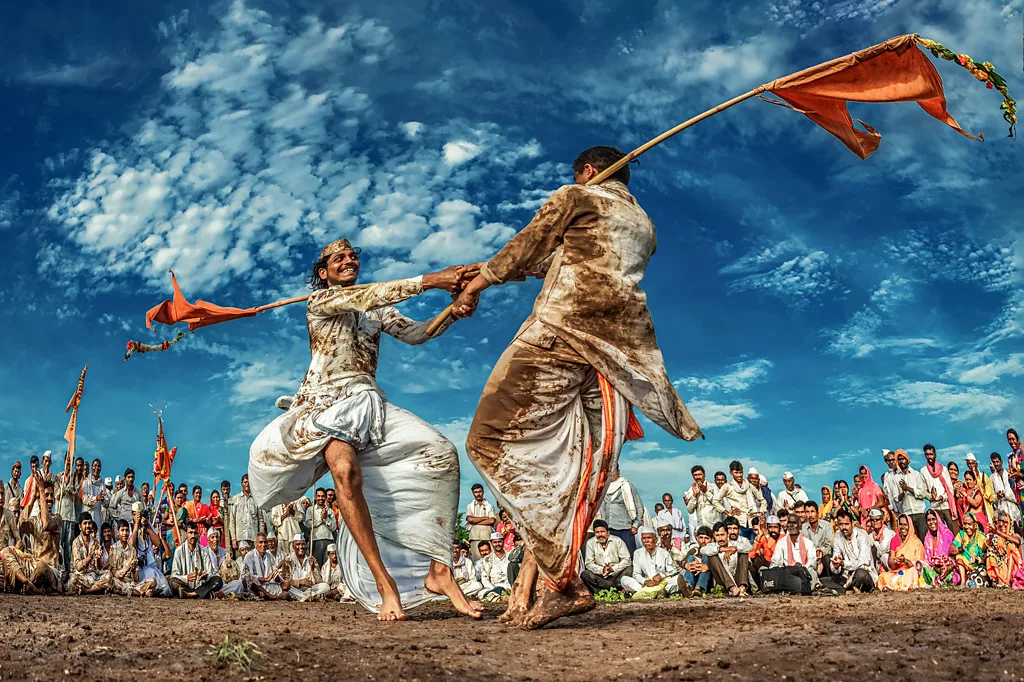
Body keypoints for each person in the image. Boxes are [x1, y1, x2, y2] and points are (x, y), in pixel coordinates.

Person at [457, 146, 703, 629]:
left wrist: (477, 282)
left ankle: (564, 582)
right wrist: (512, 269)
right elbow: (559, 258)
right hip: (617, 352)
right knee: (583, 468)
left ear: (588, 172)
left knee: (486, 440)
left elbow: (528, 245)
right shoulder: (645, 227)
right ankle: (537, 589)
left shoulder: (576, 195)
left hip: (562, 331)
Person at [248, 238, 477, 621]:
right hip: (325, 401)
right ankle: (385, 585)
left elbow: (417, 333)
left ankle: (439, 571)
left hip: (367, 399)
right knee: (345, 470)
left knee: (441, 452)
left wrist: (455, 309)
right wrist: (434, 280)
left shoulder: (376, 308)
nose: (349, 260)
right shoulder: (320, 302)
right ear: (323, 273)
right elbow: (366, 296)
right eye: (338, 258)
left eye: (352, 256)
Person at [618, 527, 679, 599]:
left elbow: (673, 571)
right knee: (624, 579)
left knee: (676, 579)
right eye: (644, 538)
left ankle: (658, 592)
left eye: (649, 538)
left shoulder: (664, 553)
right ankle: (649, 593)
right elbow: (636, 574)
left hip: (662, 584)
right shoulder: (637, 553)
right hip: (645, 585)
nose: (646, 541)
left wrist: (661, 575)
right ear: (641, 540)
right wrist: (645, 581)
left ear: (655, 540)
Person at [597, 470, 645, 556]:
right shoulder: (605, 487)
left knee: (629, 556)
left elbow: (639, 507)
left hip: (626, 529)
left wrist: (635, 525)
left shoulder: (626, 485)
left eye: (613, 471)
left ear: (618, 472)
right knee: (612, 557)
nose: (611, 474)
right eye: (609, 471)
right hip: (610, 529)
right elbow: (602, 509)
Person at [170, 521, 222, 599]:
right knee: (172, 582)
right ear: (185, 535)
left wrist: (205, 576)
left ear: (198, 535)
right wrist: (187, 578)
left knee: (218, 580)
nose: (193, 536)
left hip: (201, 586)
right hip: (186, 585)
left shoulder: (204, 551)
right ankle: (201, 594)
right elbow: (174, 575)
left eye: (195, 533)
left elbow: (210, 573)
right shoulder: (179, 551)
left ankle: (191, 595)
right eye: (190, 533)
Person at [769, 512, 819, 588]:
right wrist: (791, 569)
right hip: (787, 574)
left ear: (800, 527)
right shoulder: (781, 543)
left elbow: (812, 563)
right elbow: (776, 562)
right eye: (789, 523)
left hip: (805, 574)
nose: (791, 525)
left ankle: (805, 588)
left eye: (794, 523)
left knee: (813, 573)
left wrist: (801, 568)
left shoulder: (808, 543)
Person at [830, 510, 876, 592]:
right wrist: (836, 565)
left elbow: (863, 562)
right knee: (825, 580)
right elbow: (835, 561)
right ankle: (848, 588)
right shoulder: (838, 537)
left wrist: (844, 563)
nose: (844, 527)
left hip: (864, 573)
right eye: (841, 524)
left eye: (846, 524)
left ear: (852, 524)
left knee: (861, 574)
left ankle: (844, 589)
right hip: (846, 575)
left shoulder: (862, 536)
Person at [580, 519, 631, 594]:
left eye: (602, 532)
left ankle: (610, 589)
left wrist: (613, 569)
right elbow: (589, 564)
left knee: (630, 569)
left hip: (616, 575)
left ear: (608, 532)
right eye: (597, 532)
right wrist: (602, 570)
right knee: (585, 574)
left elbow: (627, 560)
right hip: (600, 576)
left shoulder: (617, 540)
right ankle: (608, 591)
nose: (600, 534)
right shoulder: (590, 543)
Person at [713, 461, 765, 533]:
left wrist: (760, 513)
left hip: (752, 522)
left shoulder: (748, 485)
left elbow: (762, 500)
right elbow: (715, 501)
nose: (739, 475)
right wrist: (728, 513)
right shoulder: (727, 486)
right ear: (731, 473)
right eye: (736, 473)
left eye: (740, 472)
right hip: (738, 523)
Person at [132, 502, 172, 597]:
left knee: (166, 589)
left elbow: (158, 543)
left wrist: (148, 526)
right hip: (137, 568)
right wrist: (136, 526)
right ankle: (147, 591)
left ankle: (150, 591)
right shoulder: (129, 526)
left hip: (150, 566)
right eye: (137, 514)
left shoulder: (147, 525)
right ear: (132, 515)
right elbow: (131, 546)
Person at [109, 520, 157, 597]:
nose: (125, 533)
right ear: (118, 532)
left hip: (131, 583)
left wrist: (134, 569)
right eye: (122, 530)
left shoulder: (133, 550)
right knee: (112, 581)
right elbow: (113, 571)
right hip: (119, 580)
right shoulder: (113, 548)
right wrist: (126, 569)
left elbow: (136, 578)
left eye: (127, 530)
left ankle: (133, 591)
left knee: (153, 581)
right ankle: (139, 592)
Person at [701, 522, 750, 597]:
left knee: (743, 553)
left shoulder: (735, 544)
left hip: (737, 578)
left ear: (727, 534)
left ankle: (742, 588)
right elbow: (703, 550)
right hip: (722, 583)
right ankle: (732, 588)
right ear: (714, 536)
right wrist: (723, 549)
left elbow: (749, 547)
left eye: (722, 535)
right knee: (712, 556)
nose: (720, 538)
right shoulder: (712, 546)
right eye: (717, 535)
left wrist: (735, 549)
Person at [876, 514, 924, 591]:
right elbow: (891, 563)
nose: (903, 527)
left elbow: (919, 566)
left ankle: (894, 586)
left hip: (911, 571)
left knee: (912, 572)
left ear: (910, 526)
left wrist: (905, 561)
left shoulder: (916, 543)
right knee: (883, 576)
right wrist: (896, 562)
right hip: (898, 572)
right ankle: (895, 585)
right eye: (901, 524)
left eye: (905, 525)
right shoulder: (895, 540)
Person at [66, 512, 110, 594]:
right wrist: (89, 558)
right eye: (85, 523)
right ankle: (96, 589)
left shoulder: (96, 542)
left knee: (108, 575)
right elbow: (78, 567)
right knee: (73, 579)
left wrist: (99, 558)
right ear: (80, 527)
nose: (87, 526)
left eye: (89, 523)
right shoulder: (76, 542)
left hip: (94, 575)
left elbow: (100, 567)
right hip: (81, 576)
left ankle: (88, 590)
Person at [921, 444, 959, 534]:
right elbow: (924, 491)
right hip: (935, 507)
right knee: (940, 533)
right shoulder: (923, 471)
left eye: (931, 454)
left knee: (954, 531)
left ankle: (959, 548)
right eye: (927, 454)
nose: (929, 456)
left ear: (935, 455)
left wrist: (942, 497)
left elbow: (950, 489)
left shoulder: (943, 469)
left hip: (946, 505)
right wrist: (931, 496)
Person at [285, 534, 330, 601]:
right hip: (295, 589)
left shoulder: (311, 559)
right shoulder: (288, 559)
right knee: (287, 589)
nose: (301, 547)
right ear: (293, 546)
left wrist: (313, 568)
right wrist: (300, 582)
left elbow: (319, 581)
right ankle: (308, 597)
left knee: (326, 587)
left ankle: (304, 597)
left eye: (303, 544)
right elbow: (285, 581)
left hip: (308, 589)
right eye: (298, 544)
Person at [951, 512, 988, 588]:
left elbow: (985, 556)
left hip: (977, 566)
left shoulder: (981, 537)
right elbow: (951, 550)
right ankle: (963, 582)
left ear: (975, 524)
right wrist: (961, 548)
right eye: (965, 524)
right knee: (959, 554)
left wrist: (978, 559)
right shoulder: (961, 534)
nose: (967, 527)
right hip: (963, 566)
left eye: (969, 524)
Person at [985, 511, 1021, 588]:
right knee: (990, 551)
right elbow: (983, 549)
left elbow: (1017, 541)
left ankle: (1007, 582)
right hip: (1000, 565)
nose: (1002, 524)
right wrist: (990, 538)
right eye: (1000, 522)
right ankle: (998, 579)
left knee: (1010, 547)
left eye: (1005, 522)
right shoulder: (996, 537)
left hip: (1012, 568)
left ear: (1010, 523)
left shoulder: (1014, 535)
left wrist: (998, 532)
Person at [243, 533, 284, 599]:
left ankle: (264, 594)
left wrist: (276, 577)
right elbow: (249, 575)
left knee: (287, 585)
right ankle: (269, 595)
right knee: (249, 578)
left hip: (268, 585)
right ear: (255, 544)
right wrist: (265, 579)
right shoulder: (249, 556)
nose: (263, 545)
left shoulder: (269, 556)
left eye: (265, 542)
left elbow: (274, 575)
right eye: (261, 542)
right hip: (255, 586)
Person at [230, 474, 263, 555]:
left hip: (253, 538)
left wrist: (261, 537)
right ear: (241, 484)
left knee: (254, 563)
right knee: (240, 563)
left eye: (248, 482)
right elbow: (232, 520)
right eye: (245, 482)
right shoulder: (236, 499)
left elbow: (260, 519)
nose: (247, 484)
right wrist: (233, 539)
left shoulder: (256, 499)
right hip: (240, 537)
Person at [921, 509, 956, 586]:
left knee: (952, 578)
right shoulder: (927, 538)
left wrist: (945, 568)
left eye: (933, 519)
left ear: (938, 519)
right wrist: (936, 568)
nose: (931, 522)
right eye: (929, 520)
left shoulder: (947, 534)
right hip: (934, 569)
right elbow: (927, 560)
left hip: (948, 568)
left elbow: (953, 558)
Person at [306, 488, 338, 567]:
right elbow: (308, 524)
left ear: (325, 498)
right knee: (317, 565)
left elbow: (334, 527)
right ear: (315, 497)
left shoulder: (330, 511)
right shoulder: (311, 509)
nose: (321, 498)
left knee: (329, 565)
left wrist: (326, 519)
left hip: (329, 540)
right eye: (319, 496)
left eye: (323, 496)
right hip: (316, 540)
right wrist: (321, 519)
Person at [989, 453, 1022, 530]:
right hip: (1002, 510)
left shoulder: (1010, 474)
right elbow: (992, 498)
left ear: (1001, 462)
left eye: (997, 461)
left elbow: (1016, 495)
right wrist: (997, 496)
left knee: (1018, 535)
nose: (996, 464)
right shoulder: (992, 478)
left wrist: (1005, 494)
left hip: (1014, 510)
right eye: (994, 462)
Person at [465, 484, 497, 561]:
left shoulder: (489, 505)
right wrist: (485, 518)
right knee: (476, 561)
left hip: (487, 537)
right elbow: (470, 520)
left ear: (483, 492)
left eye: (480, 491)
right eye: (475, 492)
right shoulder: (470, 506)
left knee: (489, 560)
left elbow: (492, 520)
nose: (478, 494)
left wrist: (475, 521)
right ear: (473, 493)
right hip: (474, 537)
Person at [802, 500, 834, 576]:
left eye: (812, 511)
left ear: (817, 513)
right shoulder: (802, 528)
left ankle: (830, 582)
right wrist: (813, 554)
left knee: (827, 558)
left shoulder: (827, 525)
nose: (810, 515)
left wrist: (821, 552)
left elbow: (829, 545)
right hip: (810, 558)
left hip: (823, 556)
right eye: (807, 512)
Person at [680, 526, 713, 597]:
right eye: (701, 538)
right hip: (694, 576)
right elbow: (682, 561)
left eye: (706, 538)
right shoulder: (694, 550)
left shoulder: (713, 551)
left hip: (708, 579)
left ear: (712, 539)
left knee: (706, 557)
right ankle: (689, 587)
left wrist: (706, 566)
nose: (703, 541)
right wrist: (688, 565)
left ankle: (699, 588)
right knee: (691, 558)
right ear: (696, 538)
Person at [684, 465, 718, 533]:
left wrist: (706, 491)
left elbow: (718, 504)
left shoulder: (713, 487)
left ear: (704, 475)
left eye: (699, 474)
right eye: (695, 475)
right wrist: (695, 495)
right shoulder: (691, 490)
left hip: (714, 525)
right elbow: (690, 510)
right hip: (701, 527)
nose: (698, 477)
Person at [964, 453, 996, 523]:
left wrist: (980, 488)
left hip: (985, 507)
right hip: (972, 511)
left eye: (972, 463)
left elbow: (989, 496)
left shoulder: (984, 477)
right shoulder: (966, 479)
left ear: (976, 464)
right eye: (969, 464)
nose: (971, 466)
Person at [749, 515, 781, 584]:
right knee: (753, 562)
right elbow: (751, 555)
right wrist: (758, 537)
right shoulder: (763, 538)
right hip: (766, 566)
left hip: (779, 566)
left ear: (780, 528)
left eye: (775, 527)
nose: (773, 530)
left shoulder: (783, 538)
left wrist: (766, 534)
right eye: (770, 527)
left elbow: (776, 551)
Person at [479, 533, 511, 601]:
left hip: (509, 587)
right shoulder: (487, 559)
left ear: (503, 542)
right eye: (495, 542)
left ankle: (499, 597)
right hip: (493, 588)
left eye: (499, 541)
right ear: (491, 543)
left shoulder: (510, 556)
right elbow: (485, 578)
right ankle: (500, 597)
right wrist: (493, 589)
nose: (497, 544)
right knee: (481, 593)